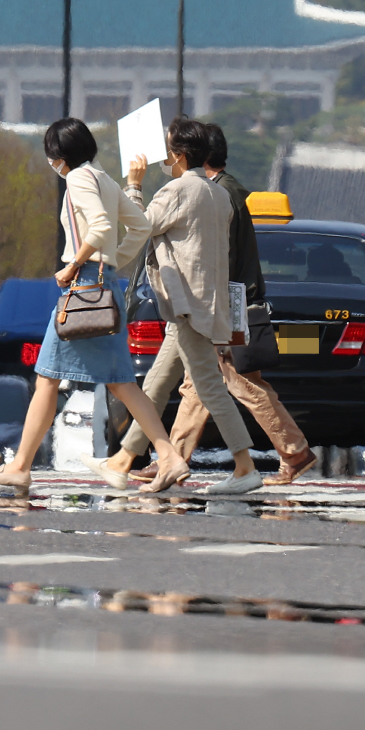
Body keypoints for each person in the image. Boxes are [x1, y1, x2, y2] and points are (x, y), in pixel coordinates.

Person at [0, 118, 190, 493]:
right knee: (121, 382)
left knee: (47, 376)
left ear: (59, 154)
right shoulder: (104, 178)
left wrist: (75, 264)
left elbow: (102, 226)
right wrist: (113, 262)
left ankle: (21, 467)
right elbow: (138, 226)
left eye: (51, 155)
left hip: (82, 288)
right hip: (102, 286)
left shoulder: (77, 179)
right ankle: (168, 455)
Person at [138, 123, 318, 487]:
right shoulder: (225, 190)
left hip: (227, 302)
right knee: (201, 384)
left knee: (235, 382)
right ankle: (174, 457)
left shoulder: (217, 193)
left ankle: (293, 450)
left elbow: (215, 257)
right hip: (228, 299)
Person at [100, 117, 263, 495]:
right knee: (156, 384)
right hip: (201, 303)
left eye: (168, 149)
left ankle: (245, 466)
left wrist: (134, 185)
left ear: (178, 155)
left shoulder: (175, 191)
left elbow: (139, 226)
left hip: (187, 304)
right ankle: (123, 459)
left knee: (208, 387)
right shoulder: (218, 194)